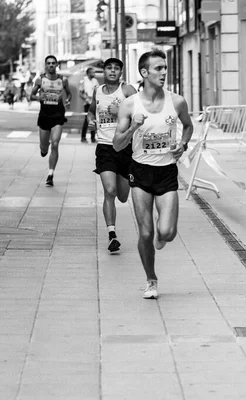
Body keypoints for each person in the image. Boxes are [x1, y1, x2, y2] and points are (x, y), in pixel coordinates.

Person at [113, 49, 193, 299]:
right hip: (140, 172)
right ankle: (151, 280)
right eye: (158, 68)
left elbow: (188, 126)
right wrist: (134, 126)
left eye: (165, 68)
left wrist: (183, 144)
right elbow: (117, 144)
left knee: (167, 232)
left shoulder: (177, 101)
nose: (164, 72)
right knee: (145, 233)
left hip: (167, 172)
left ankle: (161, 237)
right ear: (144, 72)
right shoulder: (130, 104)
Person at [88, 58, 137, 253]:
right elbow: (92, 112)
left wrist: (121, 112)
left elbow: (142, 115)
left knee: (123, 196)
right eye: (109, 68)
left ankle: (124, 182)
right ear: (104, 71)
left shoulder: (128, 91)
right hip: (105, 148)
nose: (113, 71)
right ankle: (112, 235)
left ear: (121, 73)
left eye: (117, 68)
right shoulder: (97, 91)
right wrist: (91, 121)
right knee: (109, 191)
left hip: (125, 148)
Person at [30, 55, 72, 186]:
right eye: (49, 63)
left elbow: (69, 93)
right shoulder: (40, 80)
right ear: (45, 65)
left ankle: (50, 174)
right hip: (44, 115)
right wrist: (39, 98)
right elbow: (31, 96)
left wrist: (68, 99)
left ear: (57, 65)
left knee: (55, 144)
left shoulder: (63, 80)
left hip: (58, 115)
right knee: (44, 147)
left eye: (53, 63)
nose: (51, 65)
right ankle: (43, 148)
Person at [79, 67, 99, 143]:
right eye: (92, 72)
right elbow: (80, 93)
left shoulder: (95, 81)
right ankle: (83, 137)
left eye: (94, 72)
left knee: (94, 120)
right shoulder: (83, 80)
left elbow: (98, 91)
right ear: (88, 73)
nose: (94, 74)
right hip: (87, 103)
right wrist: (86, 99)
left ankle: (93, 138)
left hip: (94, 103)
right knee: (87, 120)